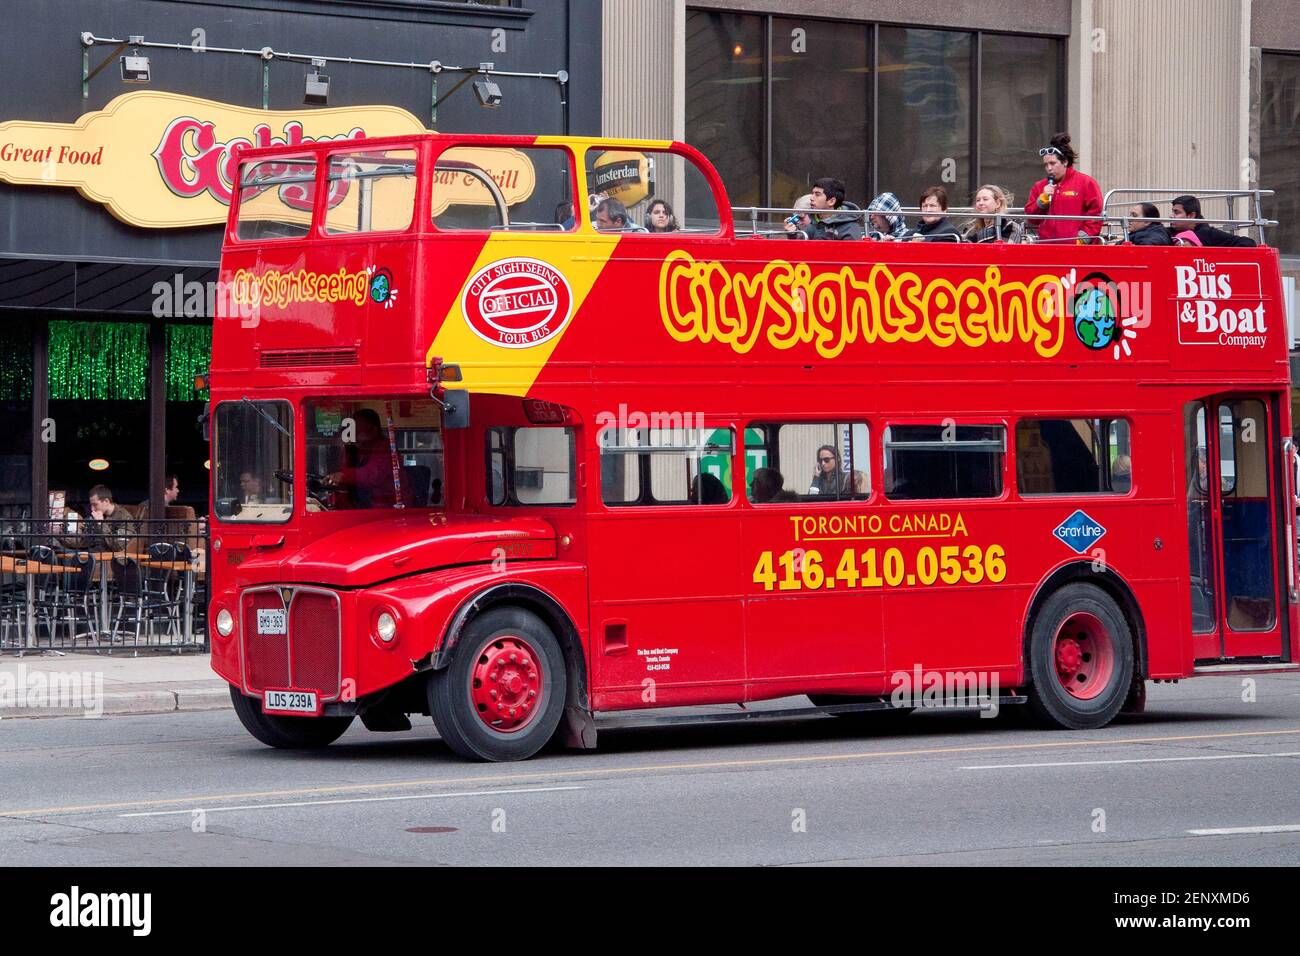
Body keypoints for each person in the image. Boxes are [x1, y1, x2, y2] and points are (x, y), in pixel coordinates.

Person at [1024, 133, 1102, 242]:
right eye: (1046, 165)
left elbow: (1096, 214)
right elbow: (1032, 219)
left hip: (1076, 249)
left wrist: (1083, 238)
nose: (1049, 168)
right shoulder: (1039, 186)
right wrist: (1042, 201)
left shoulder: (1086, 182)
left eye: (1052, 163)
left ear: (1065, 161)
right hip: (1047, 247)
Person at [326, 408, 397, 508]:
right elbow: (345, 486)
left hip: (387, 508)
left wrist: (343, 476)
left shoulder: (386, 448)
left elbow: (374, 475)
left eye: (359, 430)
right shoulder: (355, 450)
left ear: (373, 430)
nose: (354, 434)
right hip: (361, 506)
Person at [783, 178, 864, 241]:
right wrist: (792, 235)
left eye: (817, 194)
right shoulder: (813, 223)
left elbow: (853, 258)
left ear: (831, 201)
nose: (811, 198)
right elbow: (800, 253)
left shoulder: (849, 228)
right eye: (812, 194)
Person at [1170, 195, 1258, 247]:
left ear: (1191, 215)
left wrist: (1207, 253)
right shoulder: (1169, 231)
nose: (1171, 216)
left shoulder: (1209, 234)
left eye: (1176, 212)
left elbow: (1248, 243)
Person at [81, 485, 134, 553]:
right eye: (91, 505)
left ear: (106, 501)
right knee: (65, 552)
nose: (92, 509)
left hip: (108, 557)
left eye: (95, 504)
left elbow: (118, 546)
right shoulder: (99, 514)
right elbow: (87, 541)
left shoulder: (124, 518)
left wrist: (101, 523)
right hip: (92, 551)